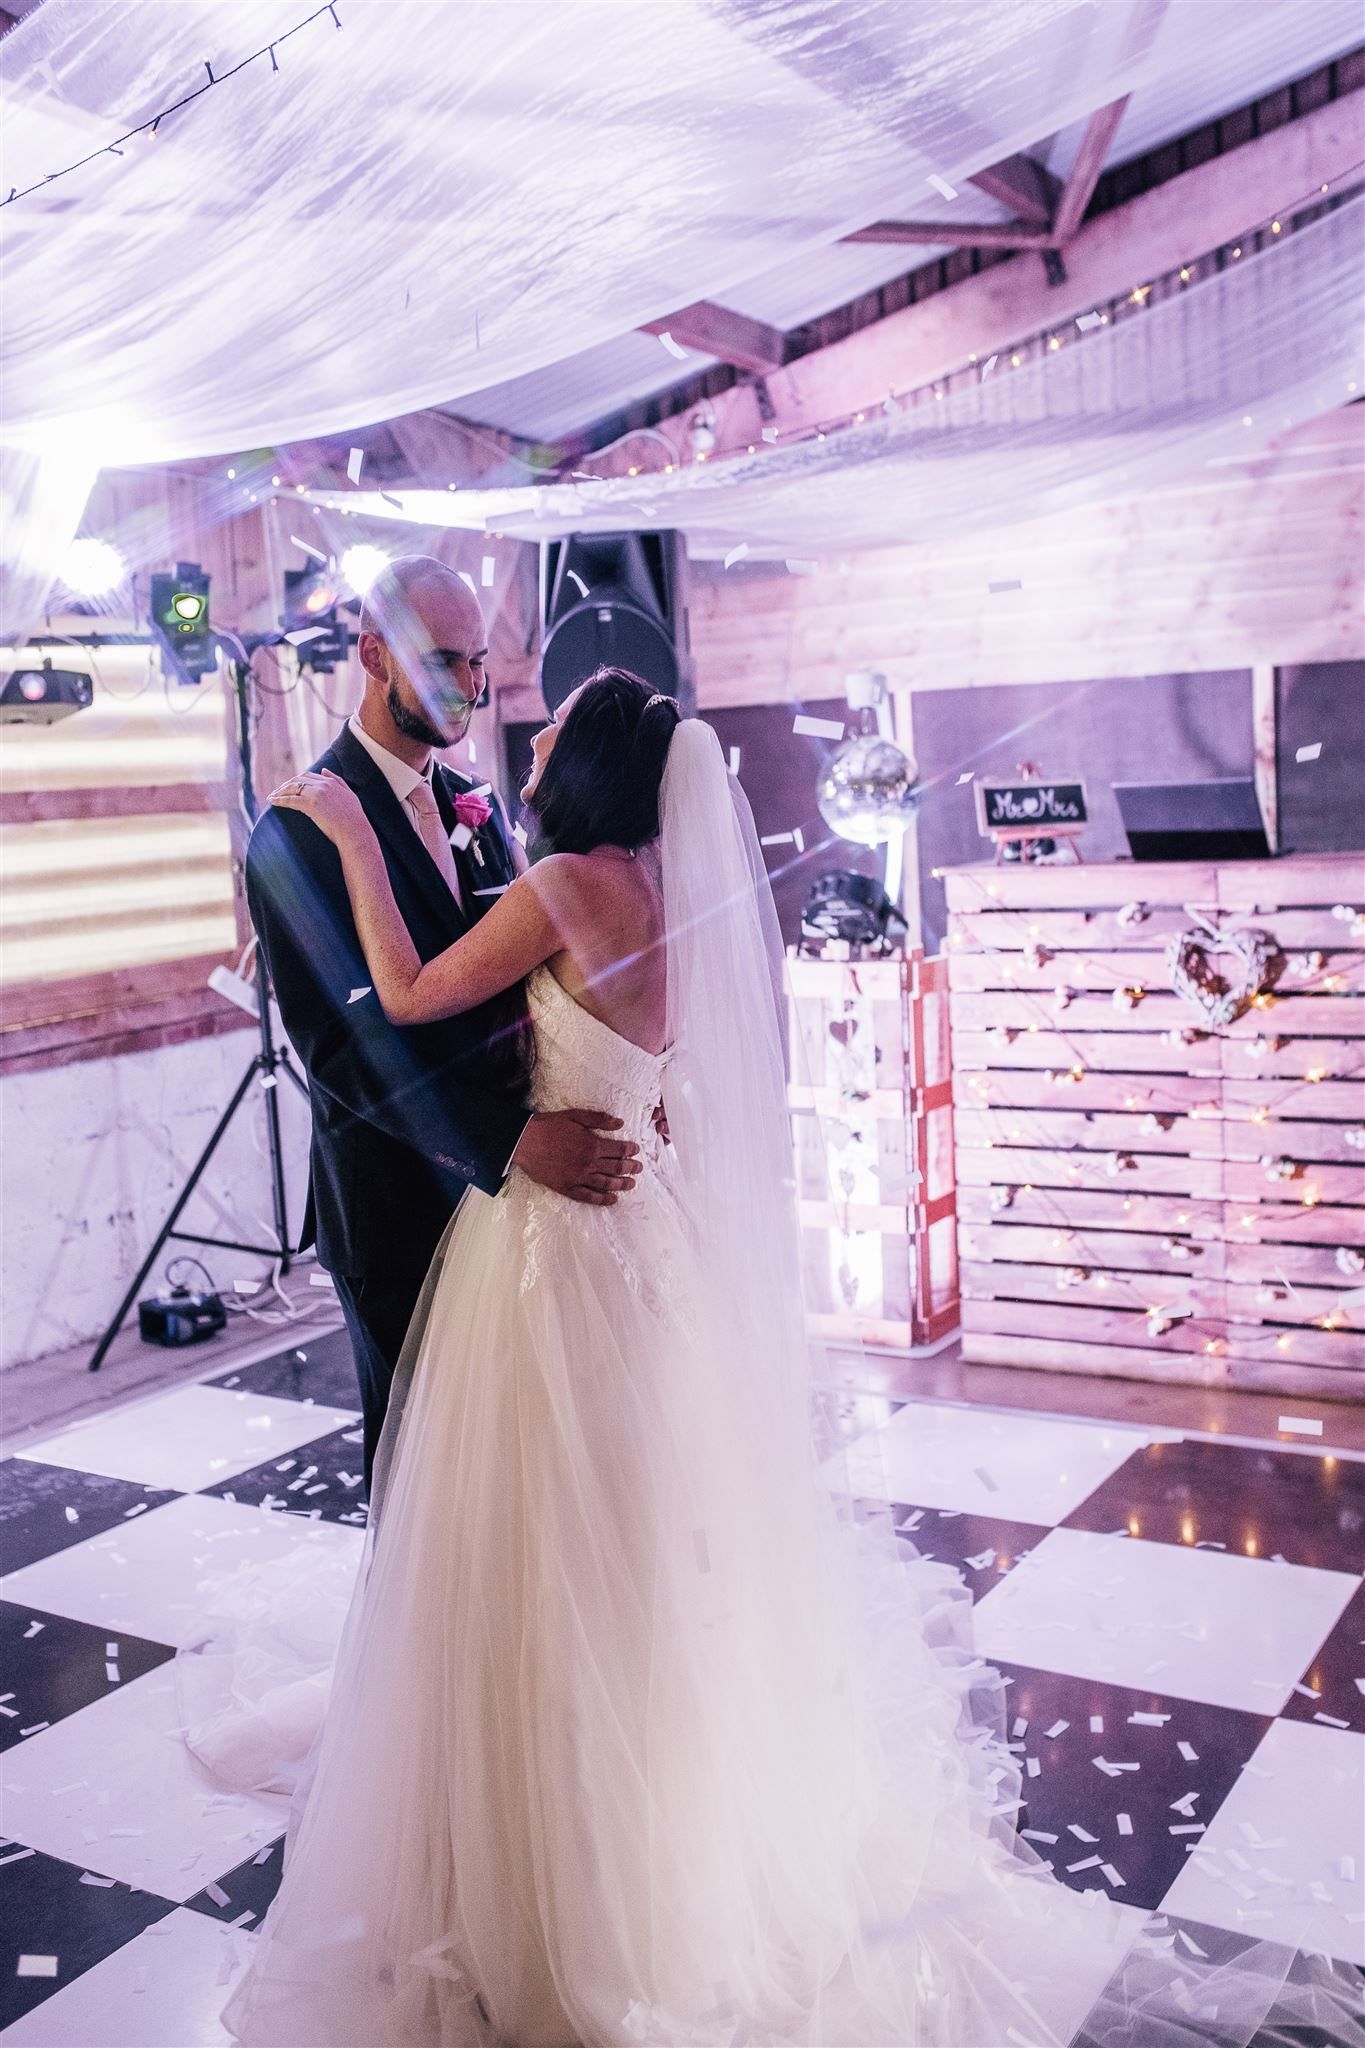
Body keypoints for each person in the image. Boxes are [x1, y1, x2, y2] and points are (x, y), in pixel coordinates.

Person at [210, 669, 1363, 2048]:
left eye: (553, 730)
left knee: (537, 1539)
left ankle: (545, 1839)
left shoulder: (569, 884)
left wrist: (345, 835)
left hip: (555, 1251)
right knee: (643, 1542)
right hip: (649, 1235)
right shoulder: (667, 889)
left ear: (587, 771)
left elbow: (397, 995)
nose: (526, 741)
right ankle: (655, 1808)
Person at [245, 557, 641, 1487]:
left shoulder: (479, 803)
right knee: (422, 1481)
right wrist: (508, 1142)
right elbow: (341, 1047)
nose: (467, 686)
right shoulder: (300, 827)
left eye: (476, 663)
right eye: (443, 662)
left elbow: (521, 979)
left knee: (513, 1474)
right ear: (373, 655)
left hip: (511, 1211)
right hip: (395, 1197)